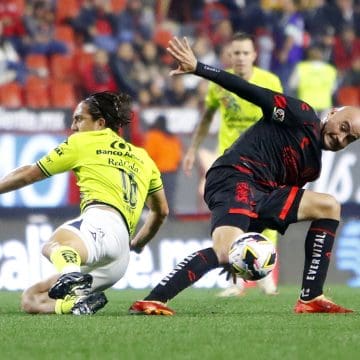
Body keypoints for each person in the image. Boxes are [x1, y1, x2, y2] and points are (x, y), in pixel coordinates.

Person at [129, 36, 360, 316]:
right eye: (343, 126)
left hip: (263, 192)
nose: (341, 136)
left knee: (329, 205)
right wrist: (199, 68)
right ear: (333, 113)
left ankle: (311, 297)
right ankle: (153, 299)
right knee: (224, 250)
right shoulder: (301, 115)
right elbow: (250, 91)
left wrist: (247, 244)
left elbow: (267, 212)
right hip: (234, 176)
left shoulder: (313, 166)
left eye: (350, 138)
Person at [0, 91, 168, 315]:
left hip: (101, 223)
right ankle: (75, 304)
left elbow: (30, 174)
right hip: (119, 260)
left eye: (79, 119)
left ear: (100, 123)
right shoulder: (143, 158)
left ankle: (73, 278)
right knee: (31, 298)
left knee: (54, 245)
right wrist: (138, 243)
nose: (73, 126)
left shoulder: (83, 142)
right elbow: (161, 211)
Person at [183, 32, 283, 297]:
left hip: (263, 161)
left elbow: (281, 121)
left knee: (266, 216)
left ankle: (266, 276)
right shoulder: (220, 84)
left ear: (254, 55)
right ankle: (236, 282)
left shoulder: (270, 81)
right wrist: (192, 150)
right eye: (235, 53)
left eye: (245, 53)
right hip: (231, 162)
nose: (240, 58)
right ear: (229, 56)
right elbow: (206, 119)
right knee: (231, 217)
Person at [143, 114, 183, 217]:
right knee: (169, 194)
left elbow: (149, 154)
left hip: (157, 170)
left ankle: (153, 216)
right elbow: (178, 154)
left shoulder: (153, 135)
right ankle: (170, 215)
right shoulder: (172, 137)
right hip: (172, 170)